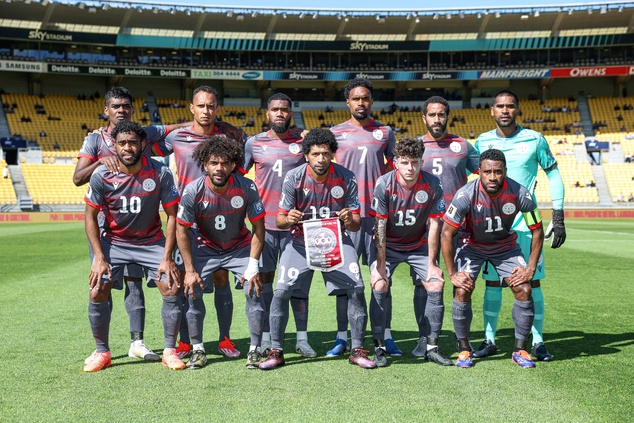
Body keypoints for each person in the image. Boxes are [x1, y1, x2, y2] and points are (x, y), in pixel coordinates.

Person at [73, 86, 176, 362]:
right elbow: (77, 177)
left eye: (126, 106)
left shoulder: (142, 134)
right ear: (106, 110)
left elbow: (178, 128)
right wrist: (99, 164)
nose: (121, 110)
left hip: (143, 227)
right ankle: (101, 348)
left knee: (135, 283)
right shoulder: (95, 140)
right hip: (108, 229)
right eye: (115, 106)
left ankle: (137, 342)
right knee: (101, 284)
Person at [259, 128, 376, 370]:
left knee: (357, 287)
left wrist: (348, 219)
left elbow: (355, 224)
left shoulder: (346, 177)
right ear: (306, 156)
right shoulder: (294, 177)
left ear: (333, 154)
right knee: (281, 291)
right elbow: (279, 220)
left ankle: (357, 349)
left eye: (325, 153)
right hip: (300, 243)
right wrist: (289, 217)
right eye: (315, 154)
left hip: (337, 242)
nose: (321, 159)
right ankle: (276, 350)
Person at [153, 85, 246, 360]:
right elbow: (144, 140)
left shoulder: (228, 137)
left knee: (221, 277)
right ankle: (187, 342)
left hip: (221, 217)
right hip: (187, 221)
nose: (206, 111)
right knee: (186, 281)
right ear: (192, 108)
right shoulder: (176, 137)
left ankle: (225, 338)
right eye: (201, 106)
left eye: (211, 106)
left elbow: (241, 166)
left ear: (217, 109)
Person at [474, 90, 566, 362]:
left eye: (510, 106)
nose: (505, 110)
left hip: (526, 224)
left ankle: (537, 341)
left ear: (517, 109)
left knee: (532, 280)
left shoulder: (535, 139)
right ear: (492, 111)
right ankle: (489, 339)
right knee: (492, 282)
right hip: (491, 225)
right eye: (500, 106)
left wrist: (558, 215)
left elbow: (553, 173)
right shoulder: (481, 142)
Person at [441, 148, 545, 369]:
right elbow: (446, 233)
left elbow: (537, 230)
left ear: (505, 171)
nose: (492, 177)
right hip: (471, 246)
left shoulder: (520, 193)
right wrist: (452, 273)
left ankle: (520, 349)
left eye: (497, 172)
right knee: (462, 289)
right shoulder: (465, 195)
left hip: (505, 247)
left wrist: (530, 268)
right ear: (479, 171)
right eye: (487, 172)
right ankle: (463, 349)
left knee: (524, 289)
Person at [176, 136, 265, 370]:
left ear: (233, 164)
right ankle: (198, 350)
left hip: (239, 247)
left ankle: (255, 350)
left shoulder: (246, 187)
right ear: (204, 164)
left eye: (225, 163)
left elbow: (258, 227)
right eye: (214, 163)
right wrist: (189, 270)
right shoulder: (193, 190)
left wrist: (253, 265)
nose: (219, 168)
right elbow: (181, 230)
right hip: (205, 248)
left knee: (253, 289)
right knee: (192, 291)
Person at [237, 93, 315, 358]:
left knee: (298, 286)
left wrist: (312, 137)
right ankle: (269, 338)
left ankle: (302, 339)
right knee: (266, 284)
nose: (280, 113)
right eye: (275, 109)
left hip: (299, 227)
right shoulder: (254, 143)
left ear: (290, 114)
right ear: (267, 114)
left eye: (284, 109)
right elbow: (238, 177)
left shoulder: (303, 142)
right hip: (265, 228)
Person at [327, 77, 397, 358]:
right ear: (348, 102)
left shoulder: (384, 132)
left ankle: (385, 335)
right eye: (356, 98)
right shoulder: (335, 134)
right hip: (346, 218)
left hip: (378, 216)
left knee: (382, 278)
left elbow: (395, 172)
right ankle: (342, 337)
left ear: (371, 101)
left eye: (365, 98)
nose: (361, 103)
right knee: (346, 281)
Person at [406, 95, 480, 360]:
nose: (437, 119)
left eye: (441, 114)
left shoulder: (462, 145)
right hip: (424, 229)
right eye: (432, 115)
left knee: (463, 283)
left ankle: (462, 342)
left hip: (459, 227)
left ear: (448, 116)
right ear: (423, 117)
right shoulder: (415, 147)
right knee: (424, 284)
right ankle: (424, 339)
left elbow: (482, 176)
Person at [369, 137, 449, 367]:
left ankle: (432, 346)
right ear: (395, 163)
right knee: (380, 284)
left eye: (414, 162)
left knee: (435, 282)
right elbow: (380, 227)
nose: (410, 168)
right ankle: (379, 347)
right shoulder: (384, 184)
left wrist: (432, 263)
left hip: (417, 246)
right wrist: (381, 267)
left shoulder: (433, 183)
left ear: (421, 161)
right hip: (390, 246)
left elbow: (435, 225)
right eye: (405, 162)